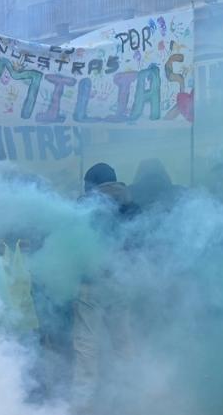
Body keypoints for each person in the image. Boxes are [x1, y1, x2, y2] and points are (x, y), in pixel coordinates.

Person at [71, 162, 138, 414]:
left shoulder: (84, 207)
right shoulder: (132, 205)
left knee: (86, 345)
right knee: (123, 341)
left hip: (91, 284)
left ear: (90, 184)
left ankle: (83, 404)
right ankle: (130, 396)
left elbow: (72, 244)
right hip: (122, 281)